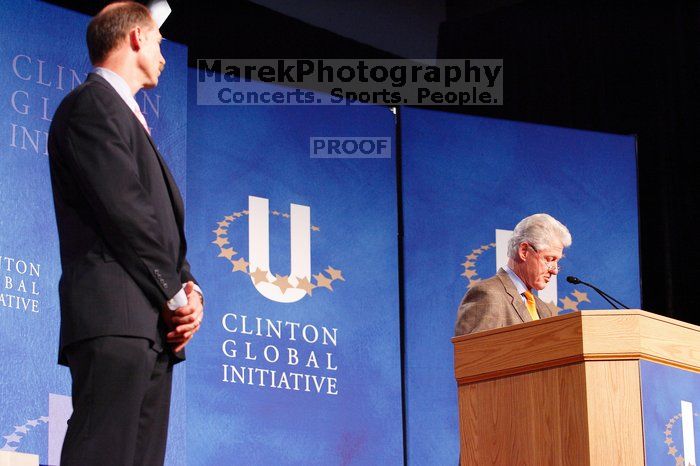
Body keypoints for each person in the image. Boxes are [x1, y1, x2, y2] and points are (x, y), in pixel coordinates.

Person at [48, 3, 203, 464]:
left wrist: (191, 291)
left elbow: (157, 222)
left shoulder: (127, 117)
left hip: (151, 327)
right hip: (116, 320)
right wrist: (176, 300)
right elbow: (128, 215)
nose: (164, 55)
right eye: (159, 41)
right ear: (136, 37)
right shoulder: (91, 105)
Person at [454, 213, 571, 336]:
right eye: (549, 259)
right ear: (524, 251)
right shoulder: (489, 295)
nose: (555, 271)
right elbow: (473, 353)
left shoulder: (545, 310)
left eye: (557, 262)